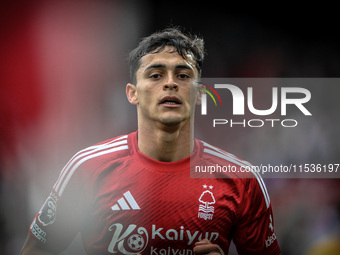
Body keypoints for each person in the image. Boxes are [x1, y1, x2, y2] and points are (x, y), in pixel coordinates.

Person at [21, 27, 281, 255]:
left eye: (183, 75)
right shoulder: (87, 168)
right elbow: (38, 249)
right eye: (156, 75)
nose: (170, 83)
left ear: (200, 94)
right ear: (132, 93)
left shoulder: (242, 179)